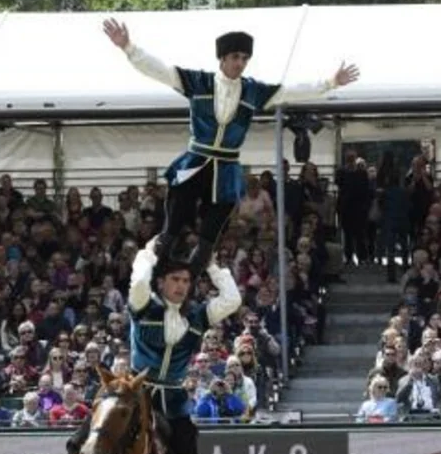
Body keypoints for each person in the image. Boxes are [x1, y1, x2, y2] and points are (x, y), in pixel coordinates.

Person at [102, 18, 360, 273]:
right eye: (236, 57)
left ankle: (190, 281)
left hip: (226, 168)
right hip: (195, 161)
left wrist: (330, 82)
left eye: (245, 59)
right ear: (223, 58)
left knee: (208, 240)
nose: (240, 63)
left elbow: (291, 91)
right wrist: (129, 48)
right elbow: (160, 70)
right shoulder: (198, 82)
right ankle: (154, 273)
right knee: (173, 225)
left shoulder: (253, 91)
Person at [45, 237, 241, 454]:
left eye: (187, 280)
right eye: (175, 279)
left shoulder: (198, 316)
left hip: (174, 397)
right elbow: (138, 281)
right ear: (162, 282)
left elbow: (232, 300)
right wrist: (148, 254)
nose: (181, 286)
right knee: (77, 441)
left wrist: (213, 266)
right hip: (135, 391)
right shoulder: (143, 305)